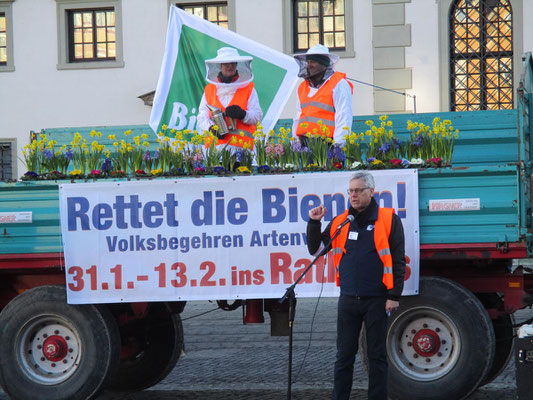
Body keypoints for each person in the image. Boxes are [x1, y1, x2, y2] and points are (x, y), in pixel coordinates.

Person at [307, 171, 405, 400]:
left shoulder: (389, 219)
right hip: (348, 299)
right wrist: (314, 222)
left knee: (377, 356)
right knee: (343, 357)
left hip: (377, 300)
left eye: (358, 190)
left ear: (371, 192)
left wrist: (394, 295)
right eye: (350, 191)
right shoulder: (341, 222)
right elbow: (316, 249)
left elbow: (398, 260)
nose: (353, 195)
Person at [197, 47, 263, 150]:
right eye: (226, 64)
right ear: (220, 66)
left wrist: (243, 114)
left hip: (241, 152)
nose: (230, 66)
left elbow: (257, 115)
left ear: (237, 65)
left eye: (233, 63)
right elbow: (202, 117)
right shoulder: (209, 90)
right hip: (215, 152)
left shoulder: (248, 88)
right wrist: (211, 128)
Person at [293, 44, 353, 145]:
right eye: (307, 62)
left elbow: (343, 115)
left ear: (323, 64)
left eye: (313, 62)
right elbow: (299, 115)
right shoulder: (303, 87)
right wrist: (295, 141)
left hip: (328, 144)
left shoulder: (339, 84)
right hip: (305, 143)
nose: (308, 65)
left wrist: (339, 145)